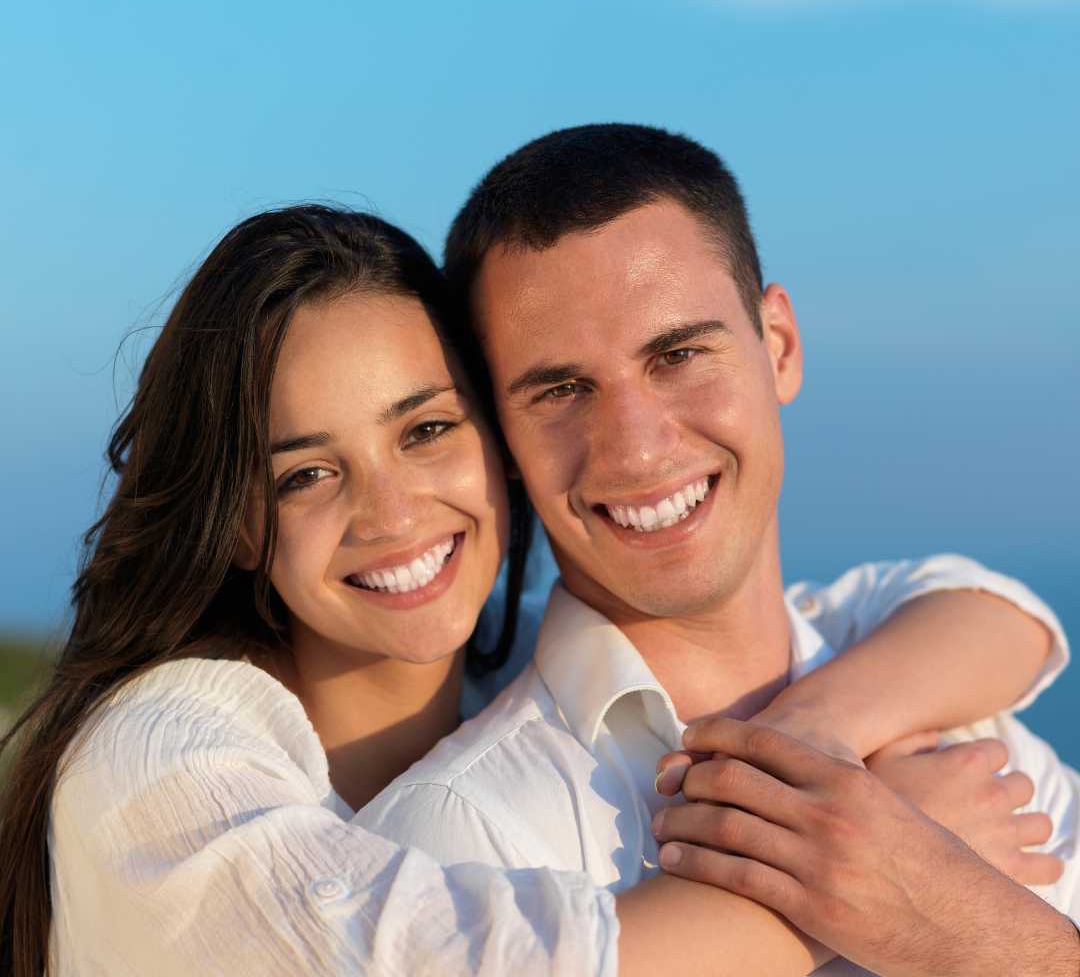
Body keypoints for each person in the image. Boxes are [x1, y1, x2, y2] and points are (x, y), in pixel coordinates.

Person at [0, 204, 1067, 976]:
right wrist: (882, 870)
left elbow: (966, 602)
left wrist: (818, 738)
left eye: (425, 431)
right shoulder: (165, 754)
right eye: (308, 473)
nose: (391, 515)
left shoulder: (515, 686)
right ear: (237, 520)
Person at [354, 124, 1080, 974]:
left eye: (679, 354)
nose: (636, 449)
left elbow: (985, 606)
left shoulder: (969, 733)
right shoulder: (453, 837)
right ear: (502, 441)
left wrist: (956, 914)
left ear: (779, 346)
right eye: (561, 390)